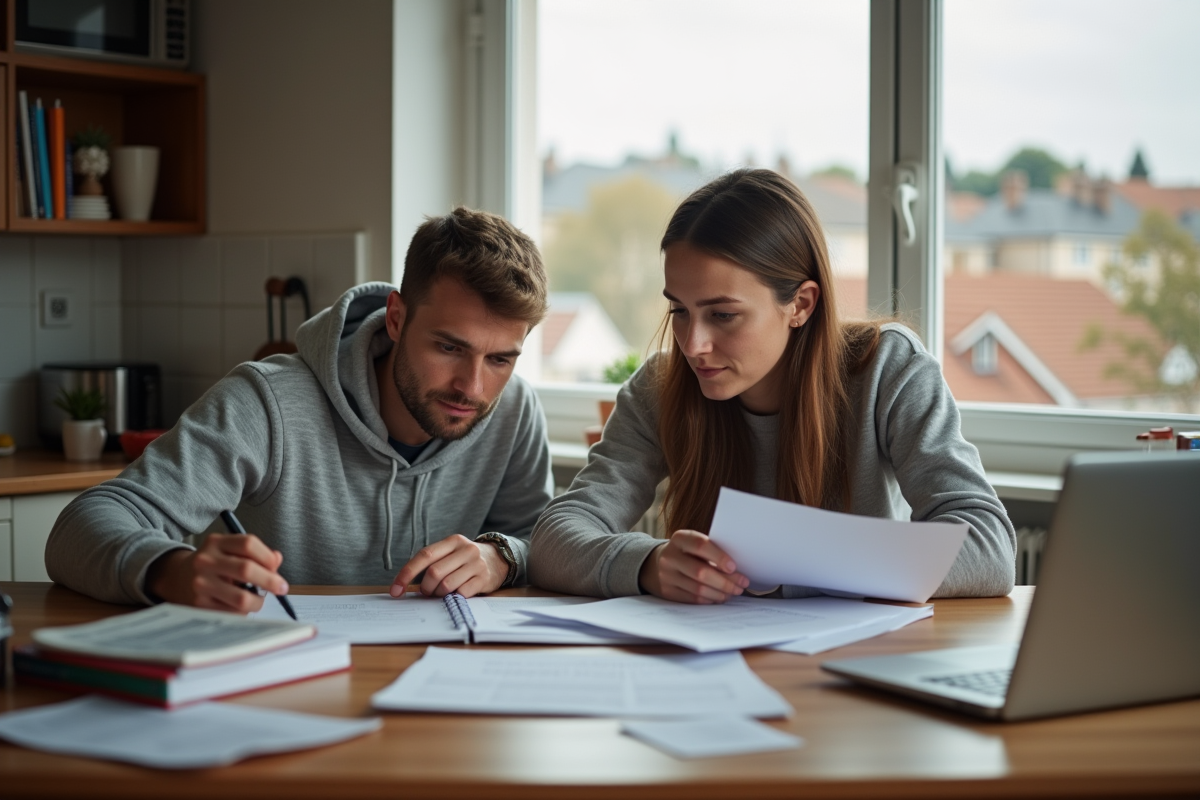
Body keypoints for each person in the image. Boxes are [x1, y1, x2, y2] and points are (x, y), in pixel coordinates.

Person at [528, 169, 1015, 603]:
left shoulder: (888, 369)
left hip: (855, 665)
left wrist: (786, 568)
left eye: (723, 315)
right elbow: (554, 538)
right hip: (709, 665)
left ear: (801, 304)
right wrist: (647, 565)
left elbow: (988, 547)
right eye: (679, 310)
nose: (693, 344)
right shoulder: (659, 387)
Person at [47, 207, 554, 612]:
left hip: (444, 695)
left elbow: (543, 543)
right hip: (282, 682)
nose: (472, 385)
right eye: (448, 347)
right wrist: (168, 568)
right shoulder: (267, 403)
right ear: (396, 318)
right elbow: (80, 527)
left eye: (501, 358)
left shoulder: (512, 410)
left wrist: (501, 556)